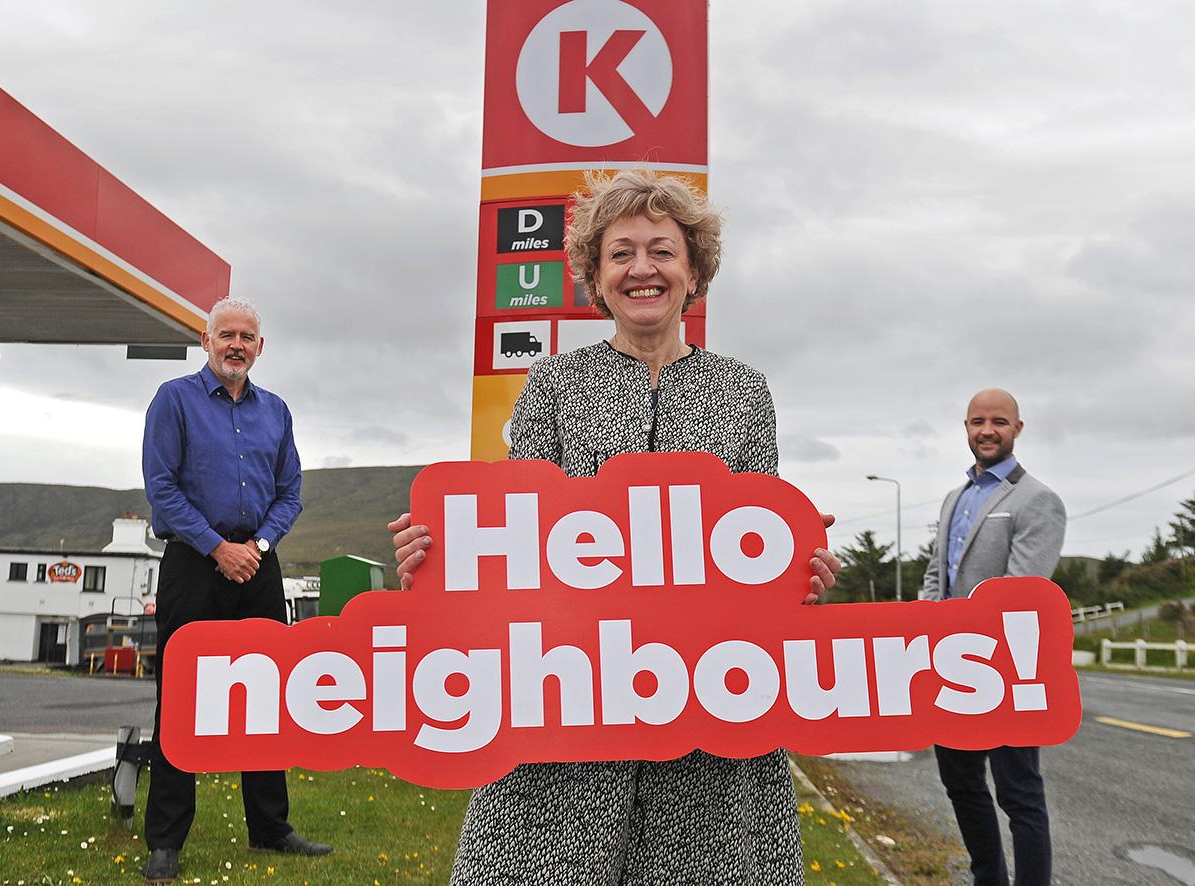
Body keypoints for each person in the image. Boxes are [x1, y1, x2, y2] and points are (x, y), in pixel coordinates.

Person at [389, 169, 841, 885]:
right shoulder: (554, 385)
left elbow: (762, 553)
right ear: (595, 279)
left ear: (695, 272)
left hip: (709, 718)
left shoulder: (744, 392)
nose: (642, 269)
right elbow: (515, 542)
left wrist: (797, 575)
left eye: (662, 251)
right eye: (621, 253)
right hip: (571, 707)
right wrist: (442, 558)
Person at [140, 297, 330, 883]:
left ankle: (270, 829)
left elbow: (290, 491)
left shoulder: (277, 410)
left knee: (265, 696)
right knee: (182, 697)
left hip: (259, 563)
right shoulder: (173, 400)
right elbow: (162, 487)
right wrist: (218, 548)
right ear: (207, 340)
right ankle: (166, 841)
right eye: (227, 335)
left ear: (260, 347)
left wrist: (259, 548)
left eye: (248, 336)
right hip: (194, 562)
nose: (237, 345)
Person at [920, 387, 1065, 886]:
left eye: (999, 421)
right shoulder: (953, 498)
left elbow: (1020, 595)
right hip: (950, 670)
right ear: (965, 428)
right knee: (960, 783)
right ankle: (989, 878)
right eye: (978, 421)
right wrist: (923, 632)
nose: (987, 430)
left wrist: (963, 637)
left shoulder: (1038, 500)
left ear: (1017, 429)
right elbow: (936, 577)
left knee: (1020, 794)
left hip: (1008, 670)